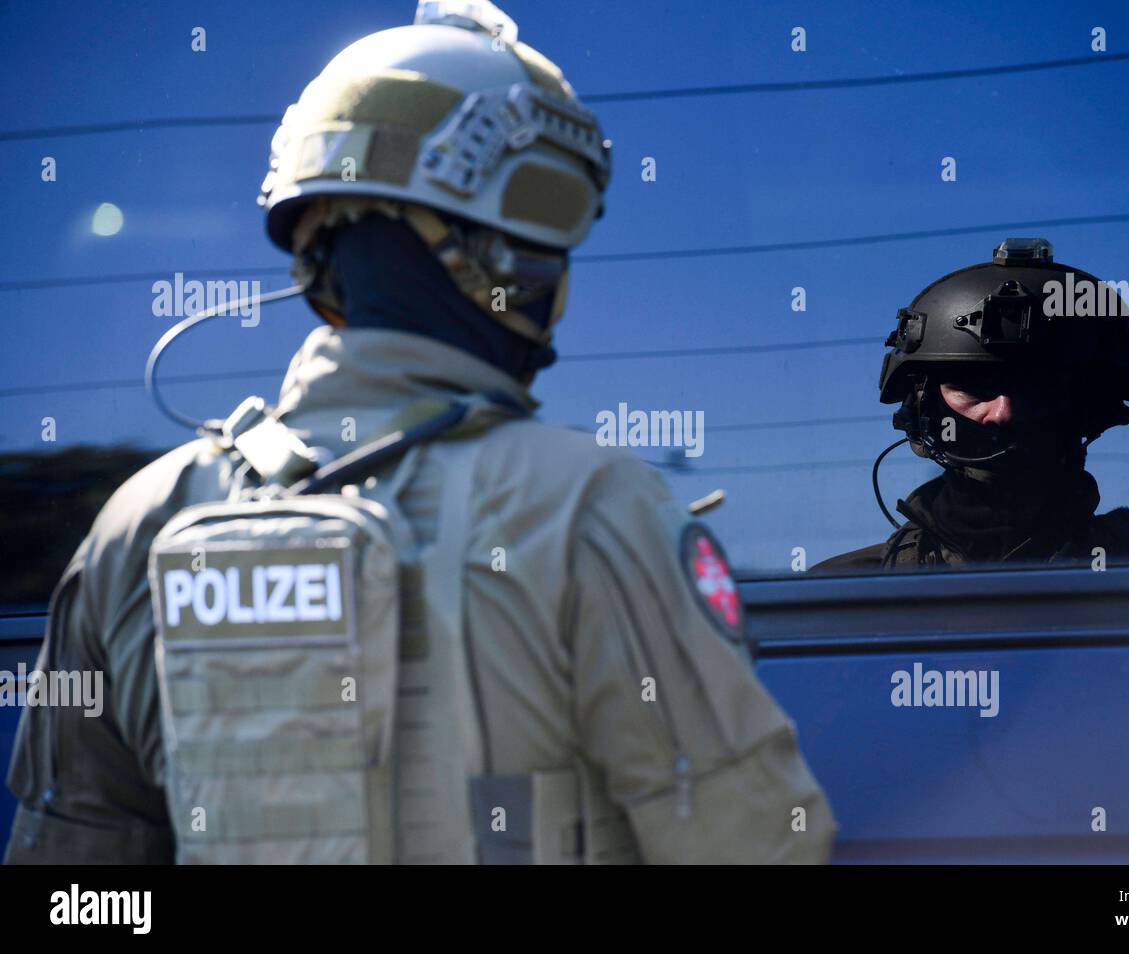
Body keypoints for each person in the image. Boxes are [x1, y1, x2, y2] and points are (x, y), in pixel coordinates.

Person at [5, 1, 834, 864]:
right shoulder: (589, 506)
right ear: (476, 238)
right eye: (546, 212)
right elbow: (760, 843)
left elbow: (77, 881)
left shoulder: (139, 525)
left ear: (317, 243)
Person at [817, 237, 1129, 572]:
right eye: (974, 386)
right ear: (922, 403)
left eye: (1040, 387)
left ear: (1090, 407)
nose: (1003, 412)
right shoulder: (836, 597)